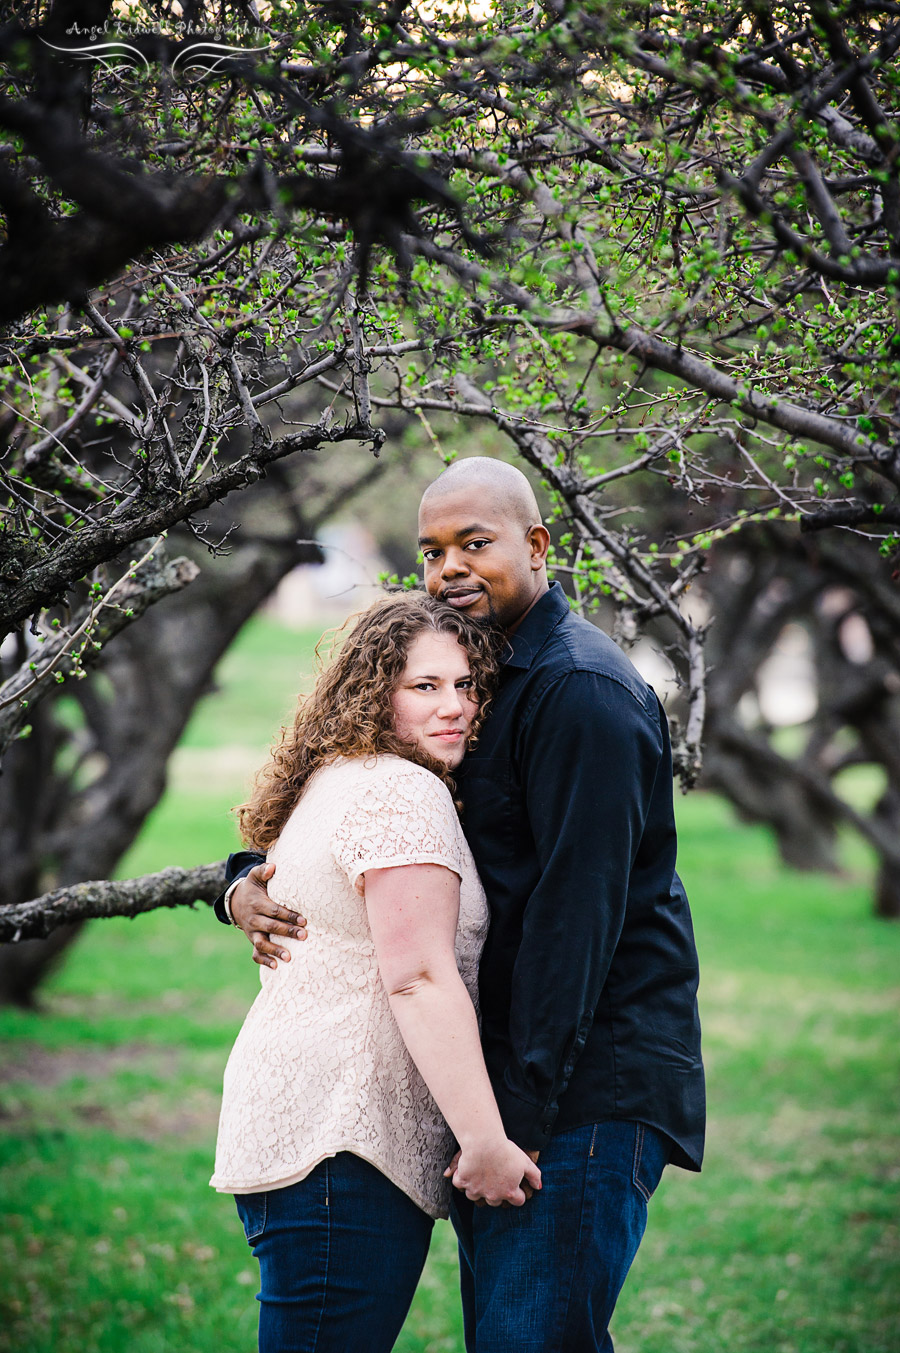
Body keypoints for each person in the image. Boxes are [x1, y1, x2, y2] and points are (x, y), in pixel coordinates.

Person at [220, 457, 706, 1353]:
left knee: (533, 1339)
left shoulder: (582, 693)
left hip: (581, 1085)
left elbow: (575, 924)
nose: (449, 568)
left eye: (474, 543)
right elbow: (358, 813)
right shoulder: (475, 679)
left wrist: (500, 1128)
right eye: (432, 549)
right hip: (505, 1082)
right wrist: (241, 878)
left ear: (537, 544)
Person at [210, 591, 541, 1353]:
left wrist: (233, 891)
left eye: (465, 685)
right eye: (424, 686)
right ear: (373, 689)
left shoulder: (344, 773)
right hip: (343, 1143)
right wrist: (485, 1139)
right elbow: (418, 976)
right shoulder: (401, 792)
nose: (454, 706)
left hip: (305, 1132)